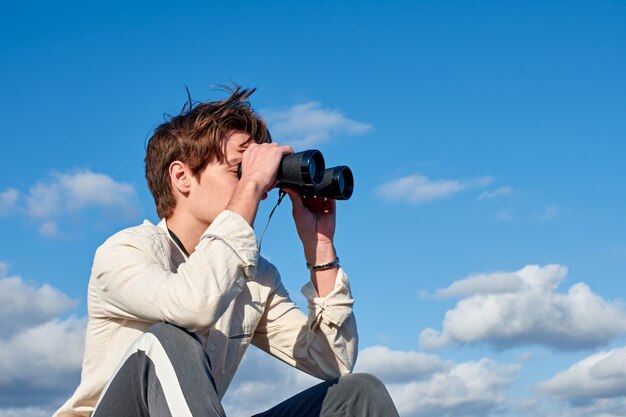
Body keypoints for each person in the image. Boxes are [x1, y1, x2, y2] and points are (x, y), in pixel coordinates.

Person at [53, 87, 399, 417]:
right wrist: (249, 185)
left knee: (358, 394)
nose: (260, 187)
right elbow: (192, 306)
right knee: (168, 338)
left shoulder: (256, 277)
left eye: (262, 176)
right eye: (240, 169)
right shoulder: (124, 252)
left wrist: (319, 245)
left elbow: (330, 361)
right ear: (182, 177)